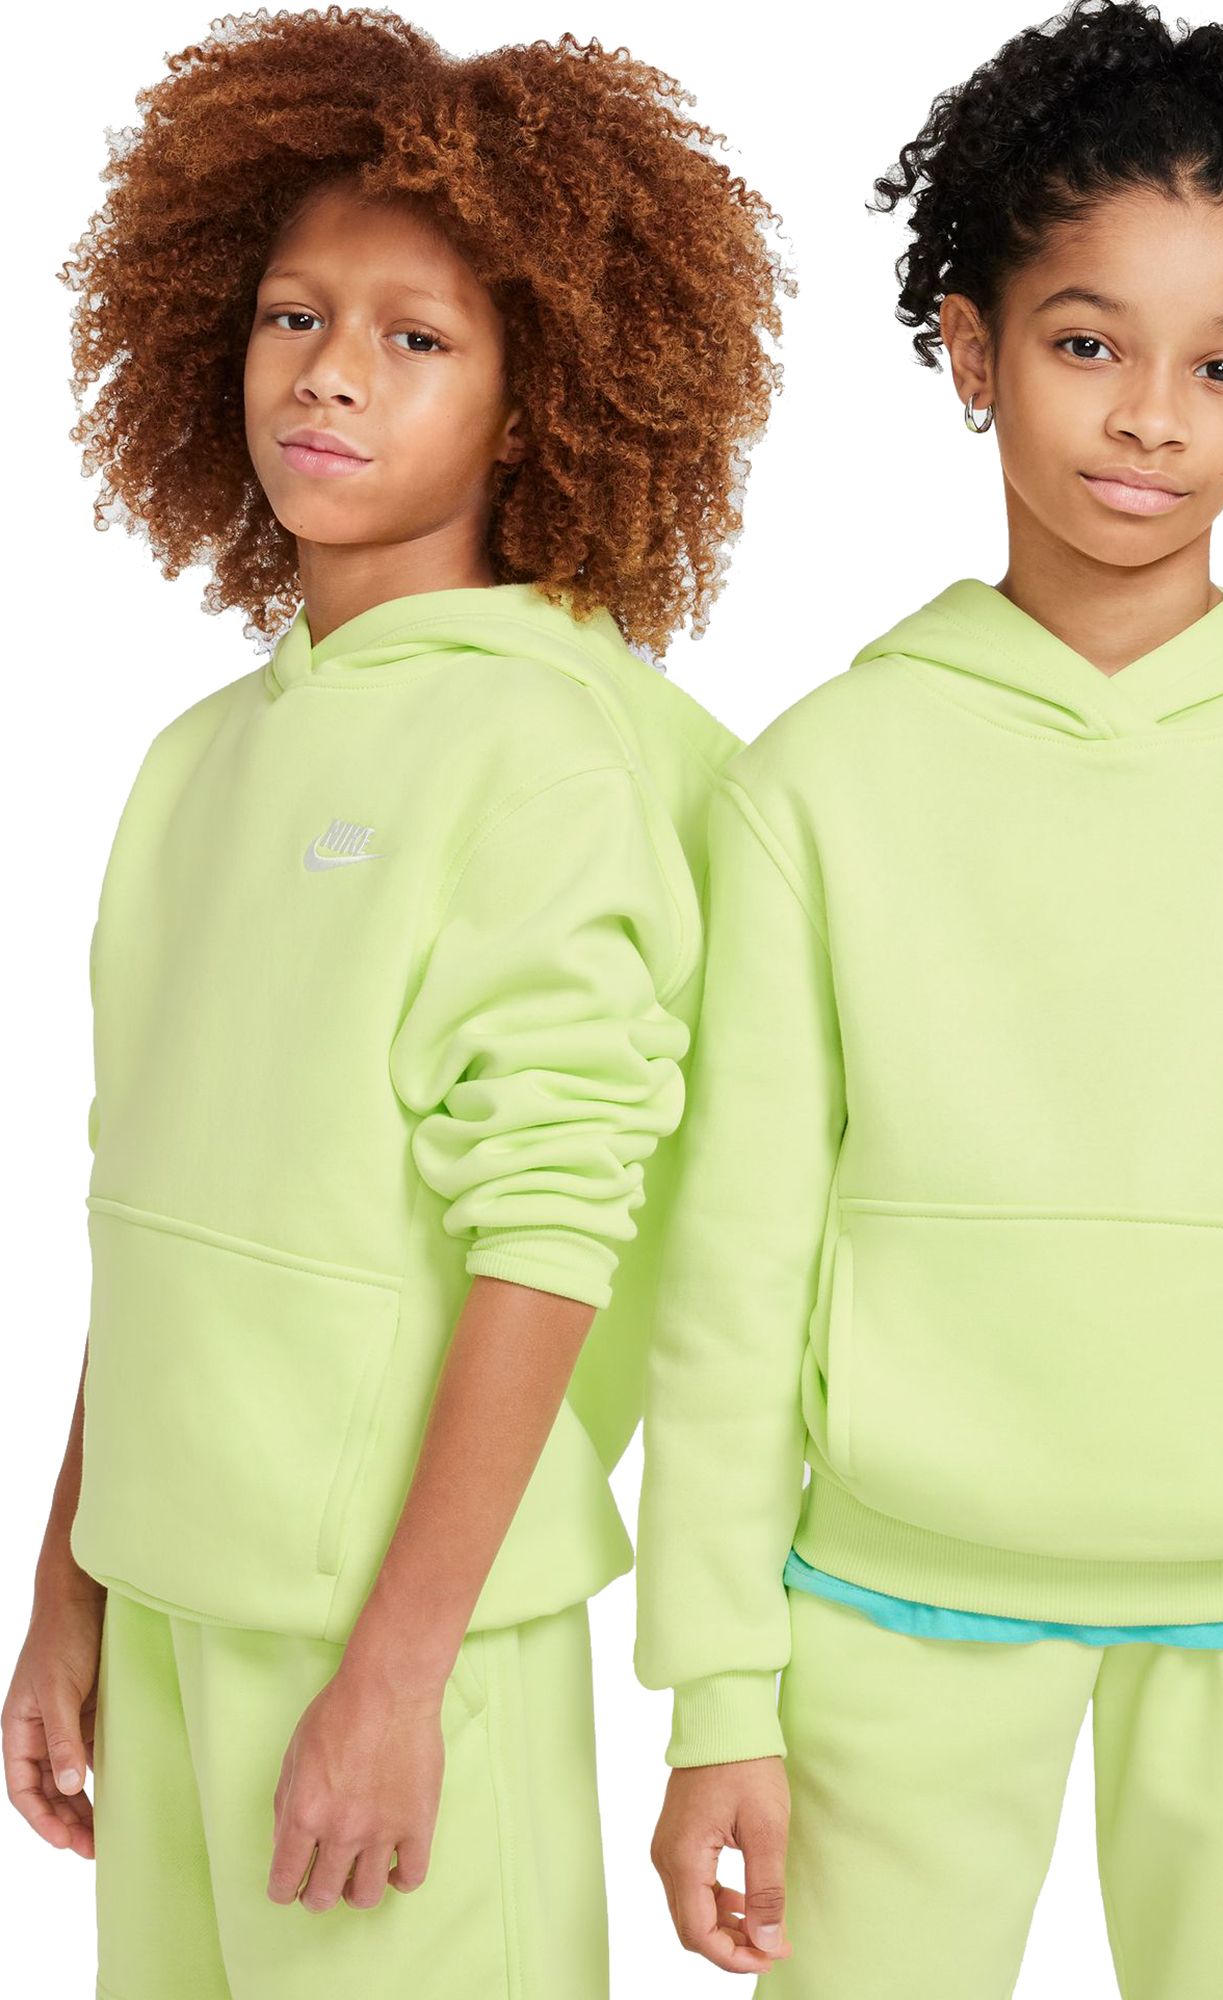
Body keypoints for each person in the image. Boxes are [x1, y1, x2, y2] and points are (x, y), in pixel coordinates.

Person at [632, 4, 1223, 1996]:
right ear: (967, 349)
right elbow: (729, 1264)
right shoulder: (817, 782)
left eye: (1219, 365)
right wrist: (716, 1687)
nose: (1150, 418)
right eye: (1083, 344)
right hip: (878, 1596)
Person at [2, 12, 789, 1997]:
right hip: (173, 1600)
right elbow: (147, 1200)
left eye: (415, 337)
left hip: (396, 1646)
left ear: (534, 406)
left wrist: (395, 1673)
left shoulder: (543, 751)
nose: (329, 371)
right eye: (293, 315)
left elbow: (552, 1227)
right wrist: (73, 1581)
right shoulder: (200, 757)